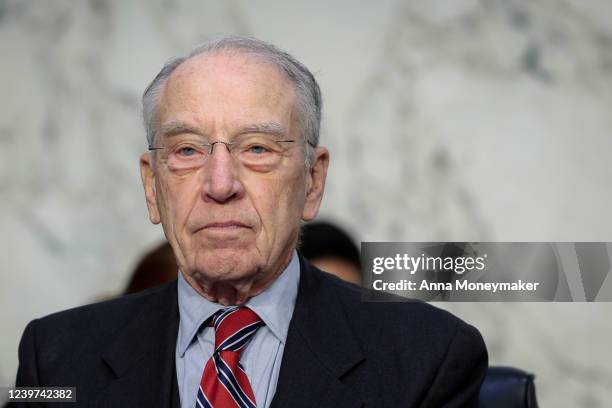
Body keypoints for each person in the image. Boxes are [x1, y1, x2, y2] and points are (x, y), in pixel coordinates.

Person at [13, 37, 487, 407]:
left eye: (257, 148)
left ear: (313, 181)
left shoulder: (428, 357)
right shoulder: (53, 358)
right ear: (152, 186)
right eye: (187, 150)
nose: (220, 184)